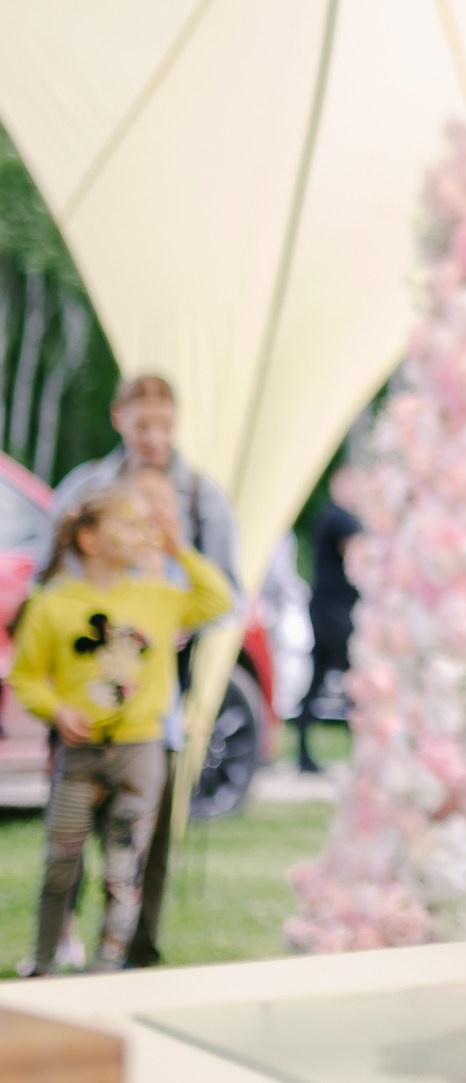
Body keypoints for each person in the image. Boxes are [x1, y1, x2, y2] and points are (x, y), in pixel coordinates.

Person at [43, 372, 243, 969]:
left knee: (143, 824)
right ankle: (59, 937)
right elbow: (49, 571)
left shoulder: (200, 497)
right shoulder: (88, 487)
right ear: (120, 420)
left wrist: (176, 619)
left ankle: (137, 947)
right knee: (72, 820)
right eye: (142, 425)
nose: (154, 438)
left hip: (159, 682)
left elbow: (227, 593)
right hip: (85, 671)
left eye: (165, 426)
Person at [9, 484, 233, 974]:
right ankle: (43, 963)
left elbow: (219, 599)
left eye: (144, 524)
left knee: (123, 869)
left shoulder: (160, 599)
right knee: (61, 863)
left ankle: (107, 968)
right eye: (129, 523)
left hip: (140, 755)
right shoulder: (53, 604)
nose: (142, 532)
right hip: (80, 757)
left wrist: (178, 549)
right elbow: (26, 676)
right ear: (89, 539)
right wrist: (57, 711)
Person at [296, 474, 363, 774]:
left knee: (318, 679)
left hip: (323, 608)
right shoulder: (341, 520)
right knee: (356, 679)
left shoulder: (327, 516)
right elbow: (359, 560)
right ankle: (360, 748)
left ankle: (303, 752)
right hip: (336, 610)